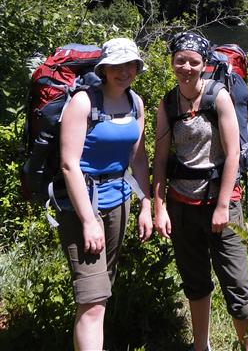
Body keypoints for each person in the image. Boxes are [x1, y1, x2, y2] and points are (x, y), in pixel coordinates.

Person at [153, 31, 248, 351]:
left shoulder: (218, 97)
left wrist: (223, 206)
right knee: (195, 282)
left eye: (193, 62)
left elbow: (233, 153)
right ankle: (201, 346)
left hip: (221, 204)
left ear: (203, 64)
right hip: (181, 206)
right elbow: (160, 159)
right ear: (172, 62)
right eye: (180, 60)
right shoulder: (168, 104)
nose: (186, 67)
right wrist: (159, 207)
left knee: (237, 287)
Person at [57, 37, 153, 351]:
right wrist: (88, 221)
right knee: (93, 301)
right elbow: (69, 165)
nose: (124, 72)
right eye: (117, 66)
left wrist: (146, 204)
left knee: (101, 292)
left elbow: (139, 158)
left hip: (119, 202)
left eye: (130, 65)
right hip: (82, 205)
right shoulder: (83, 102)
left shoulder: (135, 103)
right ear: (104, 69)